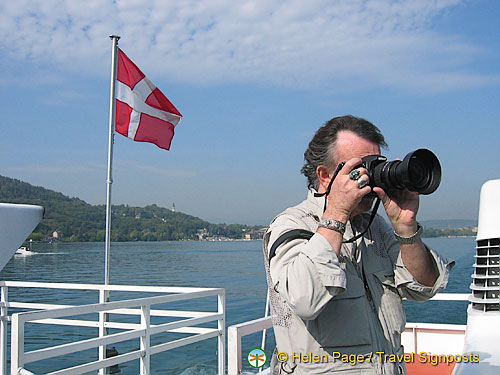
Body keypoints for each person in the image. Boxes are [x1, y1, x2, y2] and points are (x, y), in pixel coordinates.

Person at [263, 115, 454, 374]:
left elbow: (423, 287)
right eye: (361, 168)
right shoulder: (292, 225)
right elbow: (305, 300)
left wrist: (405, 227)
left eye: (375, 165)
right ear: (325, 175)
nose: (370, 178)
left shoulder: (375, 227)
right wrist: (337, 213)